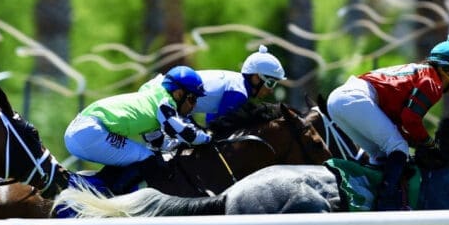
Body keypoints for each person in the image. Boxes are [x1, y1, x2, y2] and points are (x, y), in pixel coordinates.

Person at [326, 31, 449, 210]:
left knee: (382, 154)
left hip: (338, 101)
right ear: (448, 70)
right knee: (398, 147)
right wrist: (429, 144)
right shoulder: (432, 83)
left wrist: (418, 141)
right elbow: (410, 120)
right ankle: (387, 204)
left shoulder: (422, 74)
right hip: (354, 98)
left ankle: (371, 199)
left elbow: (402, 123)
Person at [64, 65, 212, 193]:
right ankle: (111, 195)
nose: (194, 106)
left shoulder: (154, 96)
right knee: (147, 158)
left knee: (142, 157)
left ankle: (106, 188)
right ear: (179, 94)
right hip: (89, 131)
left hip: (83, 129)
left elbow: (157, 142)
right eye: (192, 99)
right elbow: (187, 134)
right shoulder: (165, 104)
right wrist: (210, 137)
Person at [140, 45, 287, 125]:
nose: (271, 90)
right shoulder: (239, 92)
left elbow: (211, 117)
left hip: (156, 92)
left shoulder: (236, 83)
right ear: (256, 78)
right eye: (270, 83)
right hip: (158, 98)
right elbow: (216, 125)